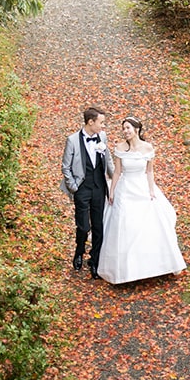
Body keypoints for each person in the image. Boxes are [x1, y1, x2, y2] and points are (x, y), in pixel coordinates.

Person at [97, 116, 187, 285]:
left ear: (136, 129)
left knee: (149, 225)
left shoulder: (147, 148)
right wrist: (112, 191)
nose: (125, 131)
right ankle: (125, 271)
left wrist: (151, 190)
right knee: (126, 226)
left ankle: (155, 266)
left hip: (142, 187)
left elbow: (149, 171)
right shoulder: (120, 147)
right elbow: (116, 172)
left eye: (128, 128)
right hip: (125, 189)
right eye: (123, 128)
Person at [61, 105, 114, 279]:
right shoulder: (73, 140)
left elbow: (108, 160)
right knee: (83, 225)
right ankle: (79, 251)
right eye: (101, 122)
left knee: (99, 226)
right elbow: (66, 167)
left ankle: (95, 262)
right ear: (90, 122)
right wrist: (74, 187)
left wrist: (115, 180)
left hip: (99, 187)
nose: (103, 126)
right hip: (82, 188)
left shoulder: (102, 137)